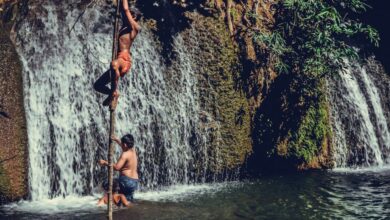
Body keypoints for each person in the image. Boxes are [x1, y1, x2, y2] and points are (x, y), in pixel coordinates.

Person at [94, 0, 141, 109]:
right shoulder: (124, 28)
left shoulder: (134, 29)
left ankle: (113, 92)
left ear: (134, 18)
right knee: (97, 85)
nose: (128, 15)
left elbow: (125, 9)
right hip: (118, 62)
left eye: (131, 15)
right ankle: (113, 93)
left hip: (124, 61)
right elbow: (123, 11)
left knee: (114, 64)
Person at [99, 134, 139, 203]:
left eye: (122, 144)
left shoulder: (125, 154)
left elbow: (117, 167)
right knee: (127, 199)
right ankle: (128, 208)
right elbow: (123, 145)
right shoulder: (133, 150)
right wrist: (117, 140)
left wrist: (105, 162)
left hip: (126, 181)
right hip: (134, 181)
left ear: (125, 145)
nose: (122, 146)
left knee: (106, 183)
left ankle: (108, 200)